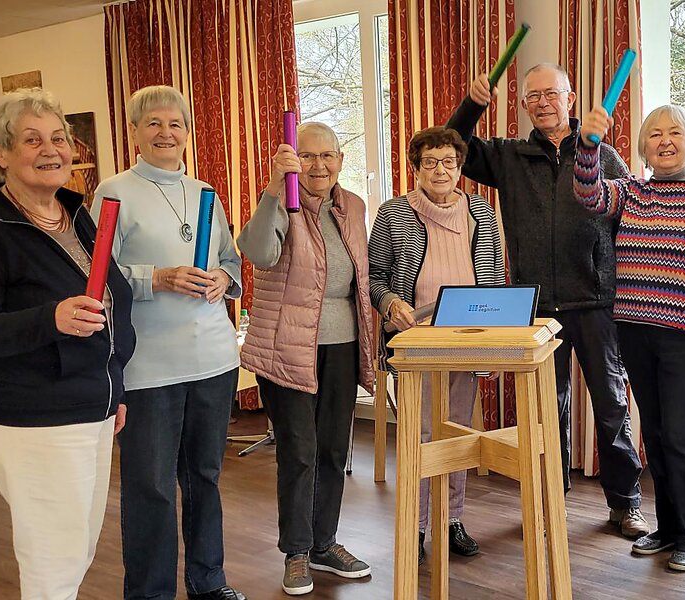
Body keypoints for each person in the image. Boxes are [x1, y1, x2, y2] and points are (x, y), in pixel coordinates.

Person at [0, 87, 135, 600]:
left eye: (58, 137)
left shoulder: (77, 216)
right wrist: (50, 318)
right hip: (32, 415)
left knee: (77, 547)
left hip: (90, 405)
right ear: (0, 152)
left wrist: (113, 388)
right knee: (54, 557)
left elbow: (111, 309)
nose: (50, 149)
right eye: (31, 140)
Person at [446, 65, 648, 538]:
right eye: (532, 96)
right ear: (522, 106)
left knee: (612, 406)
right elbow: (452, 146)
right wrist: (472, 105)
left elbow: (628, 220)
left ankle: (626, 504)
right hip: (535, 306)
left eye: (550, 94)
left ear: (570, 99)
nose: (542, 103)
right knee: (545, 410)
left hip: (598, 301)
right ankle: (547, 499)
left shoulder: (602, 153)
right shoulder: (508, 157)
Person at [92, 85, 247, 600]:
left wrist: (225, 280)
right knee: (151, 489)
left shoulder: (205, 192)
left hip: (213, 360)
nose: (165, 133)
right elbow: (97, 274)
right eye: (153, 123)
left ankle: (208, 582)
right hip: (148, 369)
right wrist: (155, 278)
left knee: (204, 478)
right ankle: (150, 593)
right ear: (134, 131)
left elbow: (229, 259)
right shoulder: (114, 191)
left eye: (175, 123)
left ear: (187, 132)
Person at [575, 103, 685, 572]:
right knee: (655, 432)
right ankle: (667, 529)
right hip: (634, 331)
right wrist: (589, 144)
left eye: (675, 132)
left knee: (684, 436)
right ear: (644, 147)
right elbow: (588, 194)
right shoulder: (632, 191)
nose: (665, 141)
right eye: (654, 134)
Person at [238, 121, 377, 596]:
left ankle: (325, 543)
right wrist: (276, 188)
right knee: (300, 451)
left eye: (328, 156)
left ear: (340, 159)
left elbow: (362, 275)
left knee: (335, 448)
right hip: (286, 346)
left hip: (342, 344)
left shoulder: (353, 207)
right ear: (294, 159)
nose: (319, 165)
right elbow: (256, 252)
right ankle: (296, 552)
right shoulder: (283, 200)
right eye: (308, 156)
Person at [367, 126, 506, 563]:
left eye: (448, 161)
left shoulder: (480, 211)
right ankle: (418, 524)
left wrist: (496, 345)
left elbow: (496, 279)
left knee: (457, 432)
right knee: (423, 433)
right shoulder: (393, 214)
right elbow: (373, 278)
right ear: (416, 167)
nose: (440, 170)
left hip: (467, 339)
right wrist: (390, 304)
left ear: (460, 166)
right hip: (415, 341)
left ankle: (451, 520)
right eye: (430, 162)